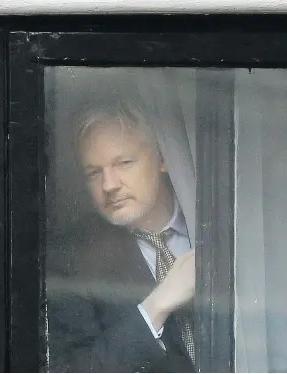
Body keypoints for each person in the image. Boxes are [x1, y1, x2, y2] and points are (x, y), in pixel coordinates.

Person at [46, 100, 196, 372]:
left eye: (124, 163)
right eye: (94, 173)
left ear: (163, 158)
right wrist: (155, 307)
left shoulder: (214, 226)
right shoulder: (70, 261)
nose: (109, 185)